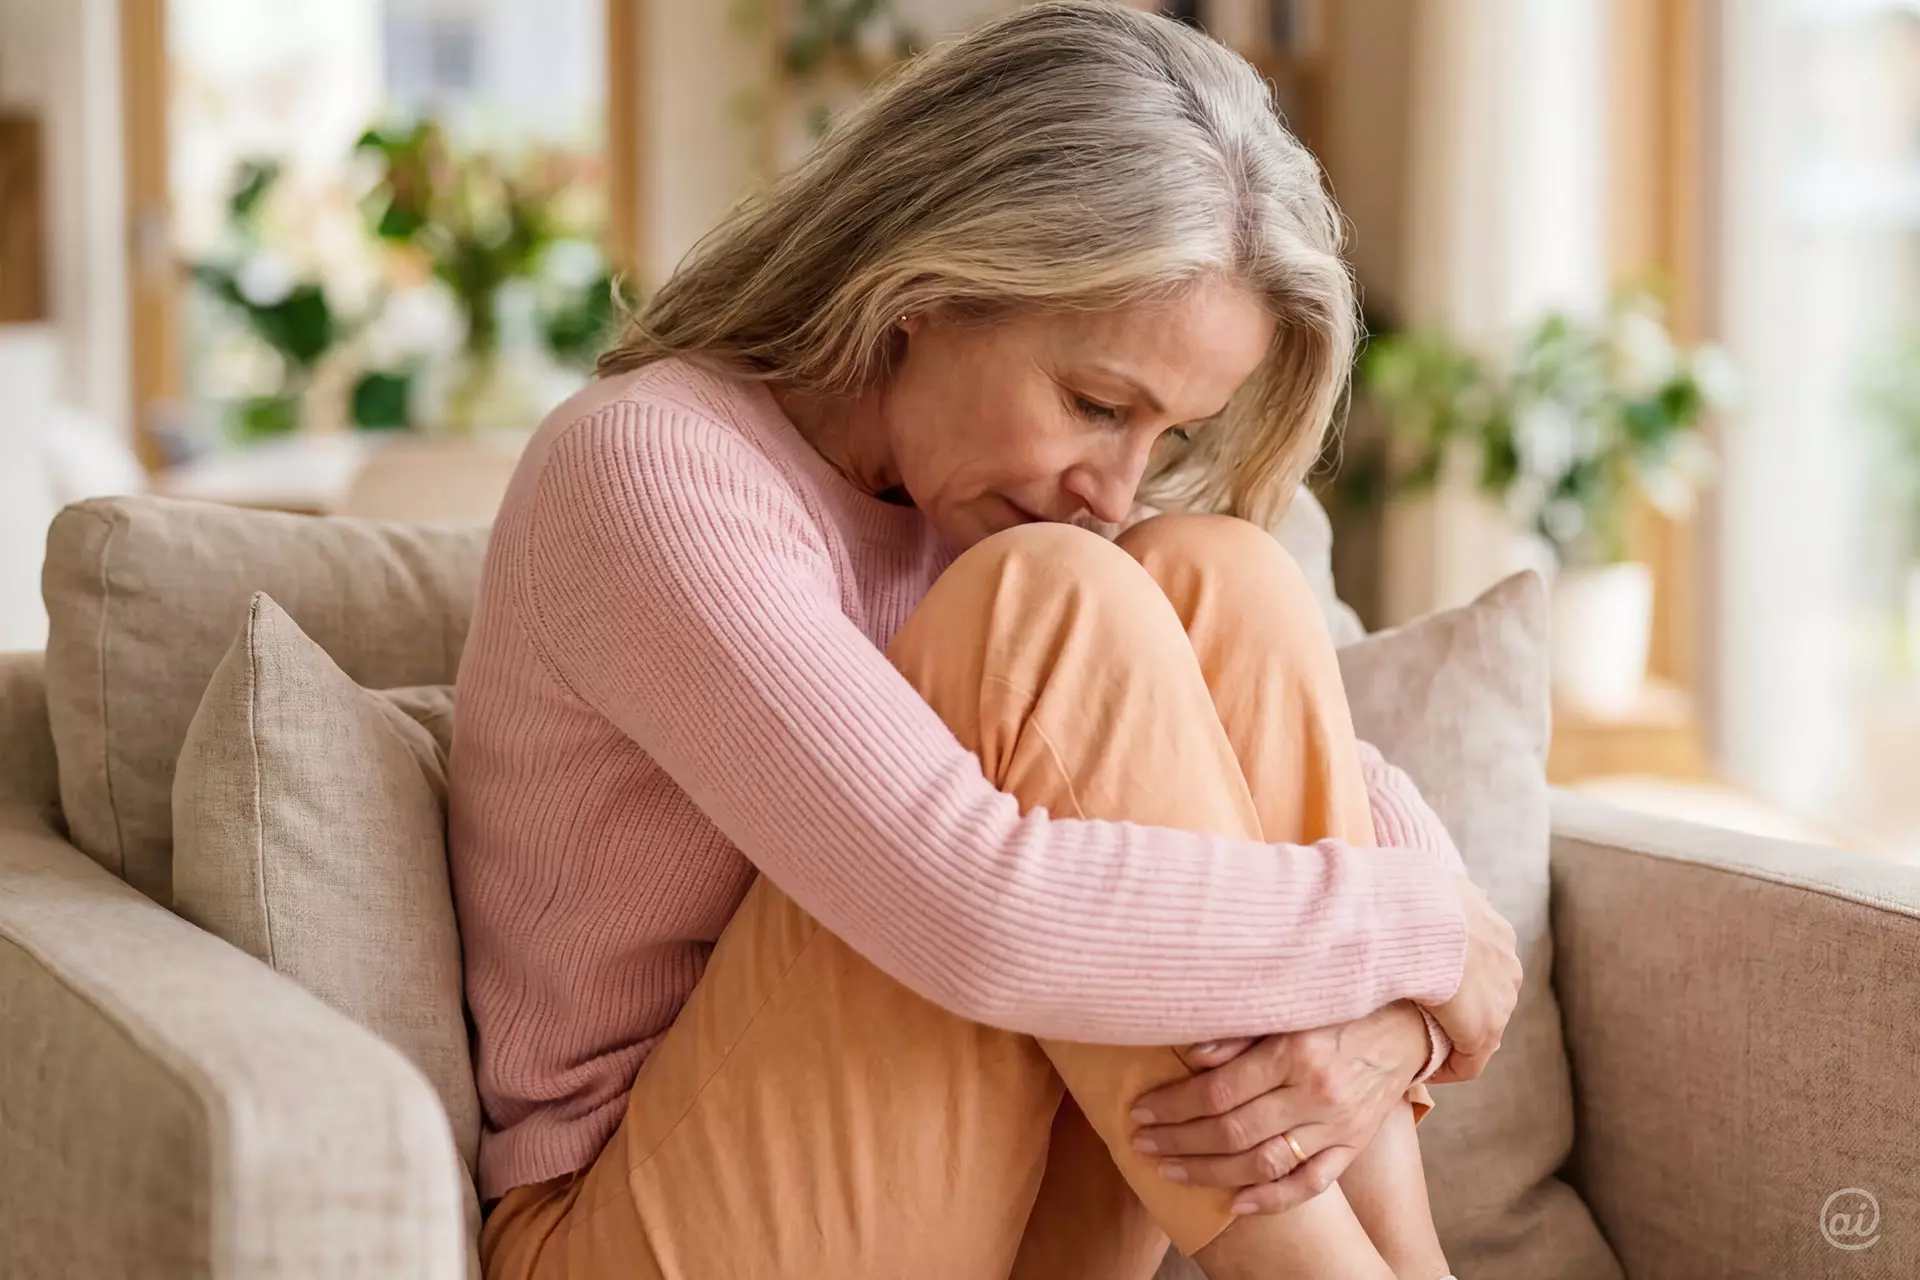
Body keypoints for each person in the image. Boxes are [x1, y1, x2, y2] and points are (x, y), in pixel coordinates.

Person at [450, 4, 1522, 1277]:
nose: (1116, 487)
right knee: (1058, 602)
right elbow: (981, 912)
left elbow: (1334, 788)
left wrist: (1388, 1017)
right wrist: (1426, 931)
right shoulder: (649, 468)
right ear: (930, 282)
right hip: (639, 1219)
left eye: (1166, 434)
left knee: (1221, 571)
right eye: (1095, 403)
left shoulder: (983, 491)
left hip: (968, 1188)